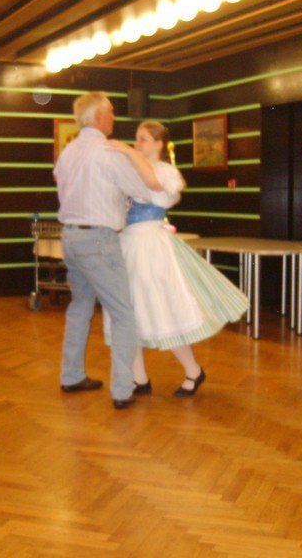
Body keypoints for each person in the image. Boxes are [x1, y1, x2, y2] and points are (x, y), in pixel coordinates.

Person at [106, 121, 249, 396]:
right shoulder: (133, 169)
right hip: (129, 244)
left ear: (159, 143)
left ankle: (193, 370)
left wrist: (128, 153)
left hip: (150, 247)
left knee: (163, 310)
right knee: (130, 313)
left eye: (144, 139)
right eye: (137, 139)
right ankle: (139, 378)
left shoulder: (166, 172)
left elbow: (156, 187)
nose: (138, 144)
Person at [54, 92, 160, 409]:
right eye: (111, 112)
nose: (114, 117)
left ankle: (72, 375)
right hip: (99, 240)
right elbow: (142, 191)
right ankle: (123, 389)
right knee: (124, 313)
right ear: (100, 117)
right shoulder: (108, 152)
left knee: (80, 308)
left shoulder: (67, 152)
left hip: (70, 237)